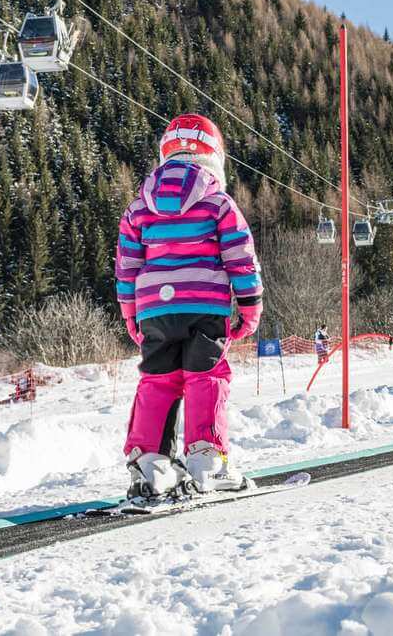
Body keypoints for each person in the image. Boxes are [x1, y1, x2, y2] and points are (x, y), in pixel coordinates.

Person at [116, 114, 263, 501]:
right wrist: (249, 306)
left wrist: (132, 313)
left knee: (158, 381)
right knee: (206, 376)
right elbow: (240, 257)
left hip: (153, 311)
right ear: (215, 155)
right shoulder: (219, 202)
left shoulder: (138, 208)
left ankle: (151, 464)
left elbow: (127, 265)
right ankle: (206, 461)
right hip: (204, 305)